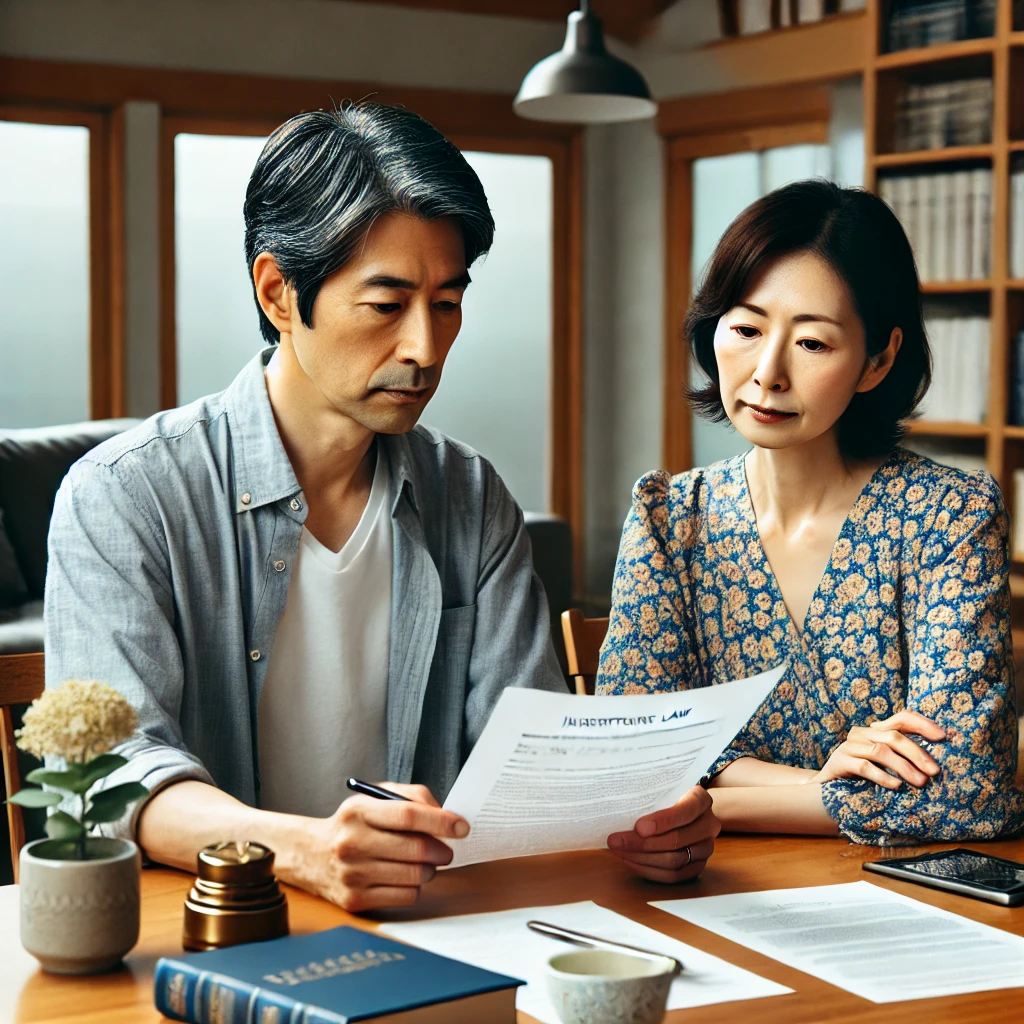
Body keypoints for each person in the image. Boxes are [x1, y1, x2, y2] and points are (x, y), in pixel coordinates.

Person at [44, 102, 719, 911]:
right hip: (214, 928)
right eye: (386, 303)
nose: (425, 349)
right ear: (280, 292)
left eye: (447, 302)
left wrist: (635, 820)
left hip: (439, 923)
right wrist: (302, 850)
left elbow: (528, 756)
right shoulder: (124, 496)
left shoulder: (469, 498)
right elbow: (118, 774)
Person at [596, 178, 1024, 845]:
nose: (767, 372)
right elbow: (628, 763)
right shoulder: (668, 520)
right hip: (708, 888)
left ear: (877, 360)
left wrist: (721, 799)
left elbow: (969, 790)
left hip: (900, 903)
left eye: (813, 344)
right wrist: (820, 784)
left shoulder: (949, 516)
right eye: (745, 328)